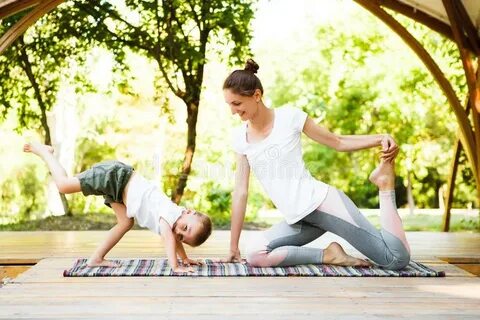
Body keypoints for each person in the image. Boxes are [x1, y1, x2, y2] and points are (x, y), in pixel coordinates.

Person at [222, 59, 411, 270]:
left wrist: (380, 138)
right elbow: (240, 192)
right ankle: (329, 255)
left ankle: (385, 184)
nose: (233, 111)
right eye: (229, 105)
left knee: (395, 259)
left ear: (256, 95)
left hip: (323, 204)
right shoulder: (240, 138)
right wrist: (233, 247)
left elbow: (337, 142)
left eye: (236, 104)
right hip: (299, 220)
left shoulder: (290, 117)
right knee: (255, 254)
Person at [23, 142, 212, 273]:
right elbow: (169, 238)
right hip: (116, 177)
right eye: (185, 228)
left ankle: (96, 258)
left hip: (120, 191)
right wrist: (175, 265)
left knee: (125, 222)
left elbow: (174, 238)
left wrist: (184, 258)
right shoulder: (172, 213)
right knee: (64, 185)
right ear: (188, 211)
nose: (178, 232)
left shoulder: (175, 222)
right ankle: (45, 152)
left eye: (182, 236)